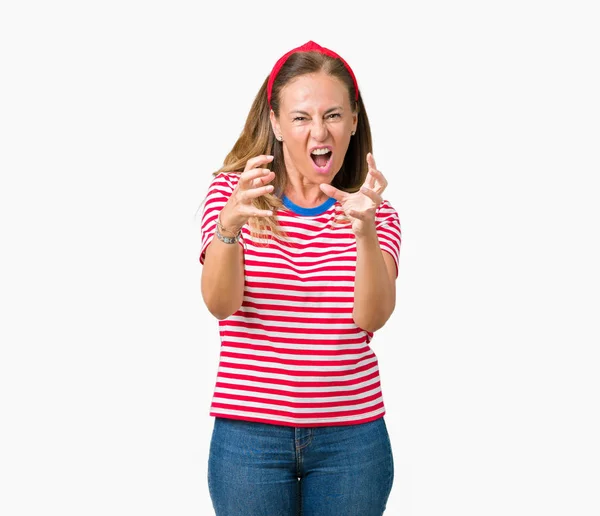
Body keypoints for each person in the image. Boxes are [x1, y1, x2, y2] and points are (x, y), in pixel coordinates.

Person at [198, 40, 402, 516]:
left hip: (352, 441)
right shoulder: (235, 195)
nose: (319, 131)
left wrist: (365, 233)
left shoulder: (376, 213)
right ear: (275, 122)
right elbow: (220, 304)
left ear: (354, 121)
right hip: (248, 438)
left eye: (333, 115)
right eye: (301, 117)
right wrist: (229, 226)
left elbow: (372, 317)